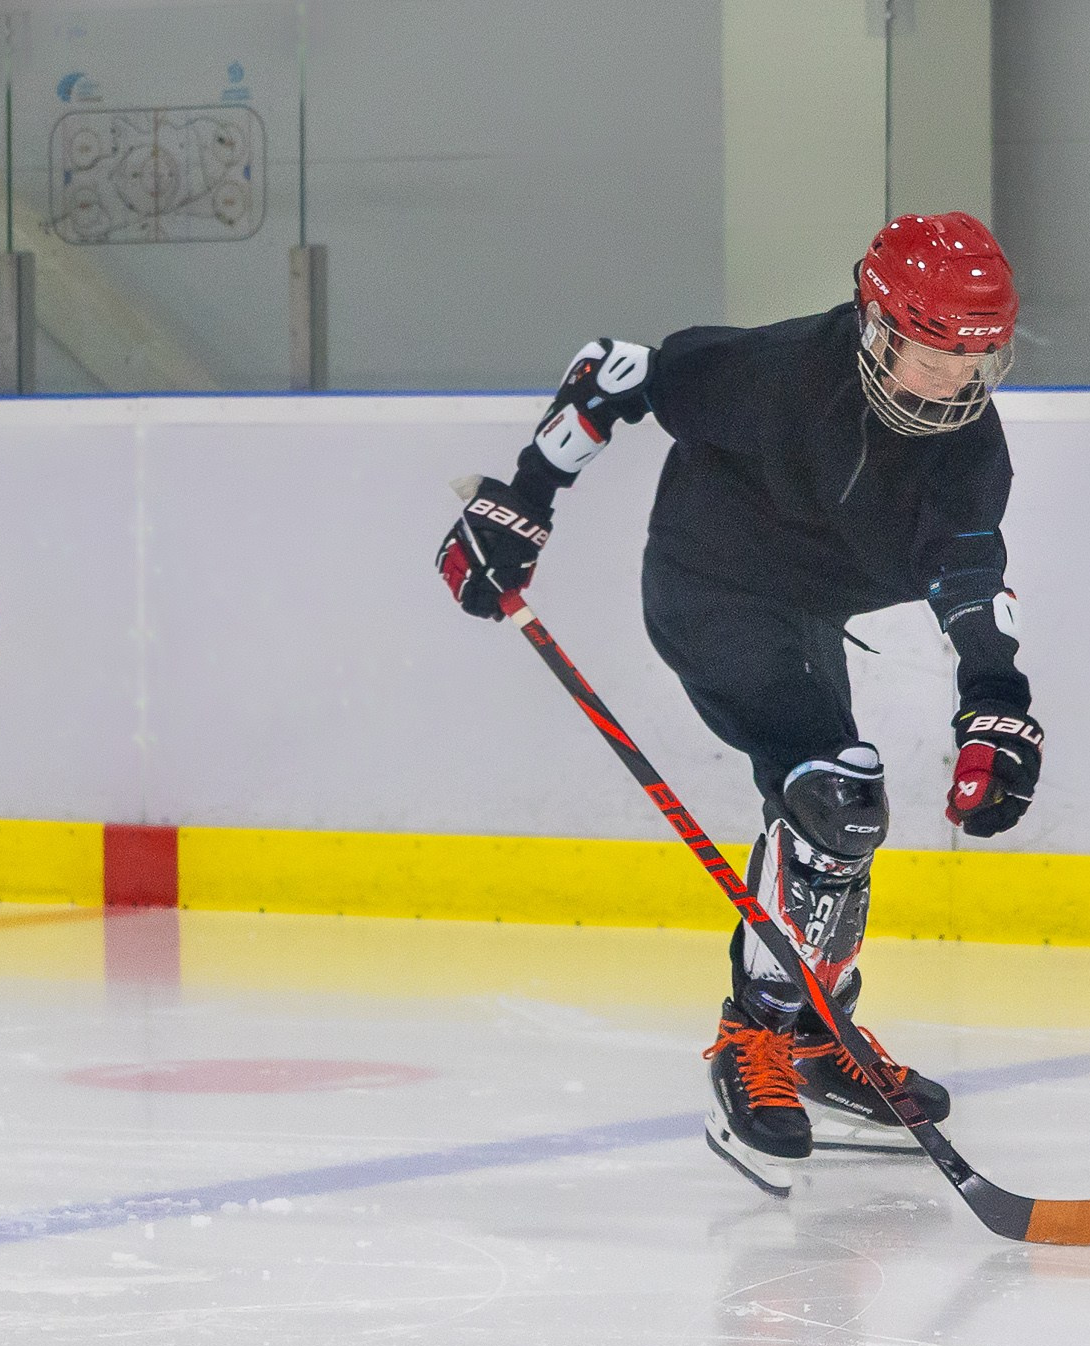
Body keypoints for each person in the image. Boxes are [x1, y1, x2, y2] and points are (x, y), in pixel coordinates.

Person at [436, 212, 1039, 1197]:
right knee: (835, 799)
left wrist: (996, 702)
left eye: (976, 361)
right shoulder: (782, 372)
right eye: (933, 355)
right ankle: (751, 1039)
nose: (952, 383)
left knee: (834, 817)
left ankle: (815, 1036)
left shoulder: (970, 450)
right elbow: (617, 373)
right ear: (875, 327)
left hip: (810, 610)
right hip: (708, 582)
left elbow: (969, 577)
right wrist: (522, 503)